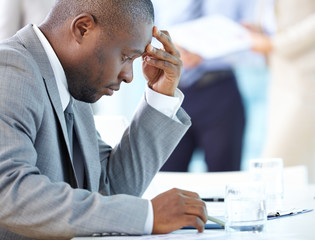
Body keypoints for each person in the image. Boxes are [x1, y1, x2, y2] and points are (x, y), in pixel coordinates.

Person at [0, 0, 208, 239]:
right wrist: (146, 216)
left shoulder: (72, 84)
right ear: (83, 29)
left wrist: (160, 96)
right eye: (126, 57)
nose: (129, 76)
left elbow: (109, 189)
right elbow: (8, 192)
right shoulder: (9, 69)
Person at [152, 0, 256, 172]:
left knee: (224, 177)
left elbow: (255, 42)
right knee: (166, 175)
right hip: (170, 92)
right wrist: (169, 50)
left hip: (220, 91)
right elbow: (144, 32)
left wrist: (208, 53)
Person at [249, 0, 315, 183]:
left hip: (307, 78)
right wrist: (259, 31)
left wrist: (274, 43)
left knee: (279, 167)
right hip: (279, 77)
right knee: (287, 169)